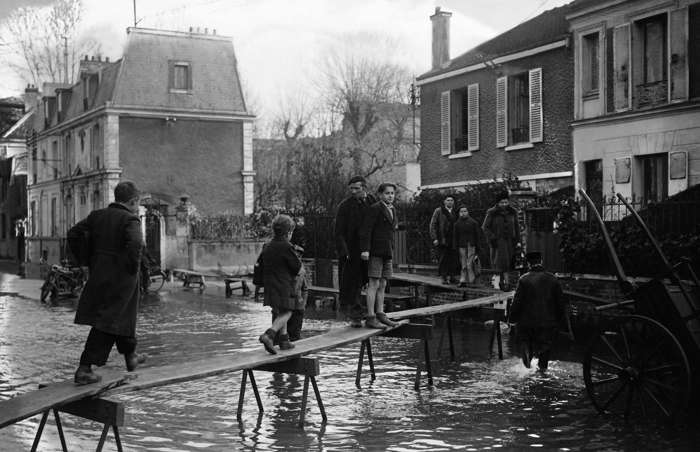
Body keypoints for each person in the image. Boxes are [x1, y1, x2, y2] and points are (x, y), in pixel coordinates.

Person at [68, 181, 146, 385]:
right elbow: (136, 244)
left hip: (100, 275)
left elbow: (73, 234)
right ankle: (84, 368)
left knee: (121, 317)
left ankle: (131, 356)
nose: (138, 207)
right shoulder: (131, 219)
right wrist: (132, 268)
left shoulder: (97, 216)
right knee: (108, 322)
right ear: (133, 201)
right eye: (138, 203)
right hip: (122, 280)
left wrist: (86, 260)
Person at [508, 251, 571, 371]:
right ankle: (542, 372)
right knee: (544, 349)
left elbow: (517, 302)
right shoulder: (552, 279)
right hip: (547, 322)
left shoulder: (523, 279)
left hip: (527, 323)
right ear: (541, 261)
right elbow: (560, 303)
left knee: (527, 344)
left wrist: (511, 319)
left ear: (528, 263)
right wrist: (560, 321)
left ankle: (527, 366)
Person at [258, 214, 306, 354]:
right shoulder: (286, 247)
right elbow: (297, 268)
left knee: (280, 311)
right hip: (283, 284)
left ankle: (284, 340)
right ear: (289, 232)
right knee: (288, 312)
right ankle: (269, 335)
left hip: (269, 284)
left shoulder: (268, 245)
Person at [334, 176, 376, 328]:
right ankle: (356, 316)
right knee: (354, 283)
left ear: (364, 187)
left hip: (371, 249)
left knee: (373, 280)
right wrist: (344, 251)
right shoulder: (344, 206)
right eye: (351, 189)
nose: (353, 191)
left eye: (356, 188)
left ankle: (374, 313)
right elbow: (338, 231)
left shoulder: (373, 201)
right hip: (352, 250)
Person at [359, 183, 400, 329]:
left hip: (387, 251)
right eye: (387, 193)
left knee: (383, 283)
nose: (390, 196)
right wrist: (365, 250)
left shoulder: (393, 209)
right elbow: (366, 230)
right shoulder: (375, 209)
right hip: (375, 251)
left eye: (392, 193)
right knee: (374, 283)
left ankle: (380, 313)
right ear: (380, 194)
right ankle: (370, 317)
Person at [482, 191, 520, 291]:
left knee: (508, 263)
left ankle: (502, 282)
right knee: (502, 263)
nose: (504, 204)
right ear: (498, 203)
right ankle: (505, 283)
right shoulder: (492, 212)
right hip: (498, 242)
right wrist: (492, 237)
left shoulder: (513, 212)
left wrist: (518, 240)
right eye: (502, 202)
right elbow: (485, 227)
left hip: (510, 242)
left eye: (506, 202)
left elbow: (517, 227)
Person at [429, 195, 458, 284]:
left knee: (453, 258)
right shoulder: (439, 211)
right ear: (444, 202)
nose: (450, 202)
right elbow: (433, 225)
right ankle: (444, 277)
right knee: (443, 258)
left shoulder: (456, 211)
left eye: (451, 200)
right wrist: (434, 238)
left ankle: (452, 276)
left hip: (453, 238)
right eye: (448, 200)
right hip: (443, 238)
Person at [452, 205, 481, 287]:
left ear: (468, 212)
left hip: (471, 245)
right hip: (462, 245)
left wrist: (478, 246)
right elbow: (455, 236)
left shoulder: (473, 222)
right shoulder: (457, 224)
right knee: (463, 264)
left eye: (465, 211)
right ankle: (463, 280)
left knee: (469, 264)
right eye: (461, 211)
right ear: (459, 213)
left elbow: (477, 236)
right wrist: (455, 246)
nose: (463, 213)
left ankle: (472, 280)